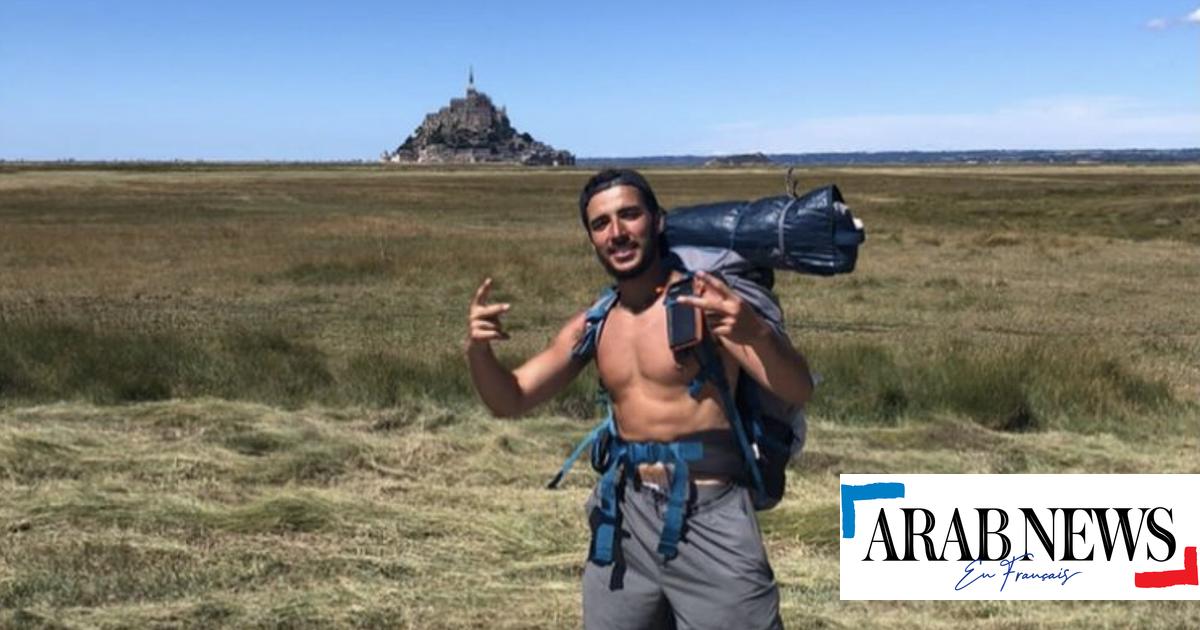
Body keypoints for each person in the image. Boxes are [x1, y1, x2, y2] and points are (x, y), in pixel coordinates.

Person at [465, 169, 814, 629]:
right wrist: (478, 350)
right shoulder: (595, 322)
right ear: (591, 238)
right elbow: (510, 398)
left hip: (708, 514)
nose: (617, 232)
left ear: (658, 221)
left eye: (629, 215)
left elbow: (797, 388)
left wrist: (756, 335)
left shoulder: (704, 305)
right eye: (601, 223)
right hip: (623, 520)